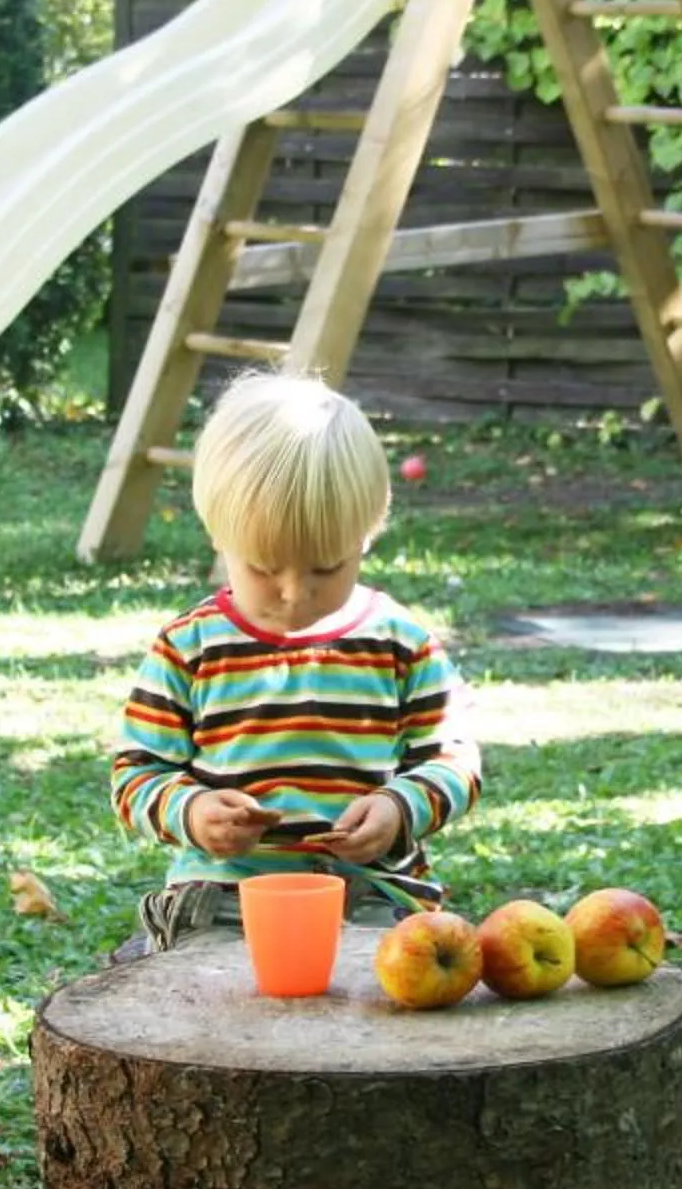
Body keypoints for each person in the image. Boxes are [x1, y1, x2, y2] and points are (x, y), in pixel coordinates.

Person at [108, 371, 481, 959]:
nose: (293, 593)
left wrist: (397, 807)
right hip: (224, 900)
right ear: (217, 535)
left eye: (326, 568)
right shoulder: (190, 647)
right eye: (262, 567)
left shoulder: (399, 643)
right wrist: (193, 810)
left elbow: (453, 760)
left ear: (368, 533)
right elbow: (136, 771)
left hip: (373, 896)